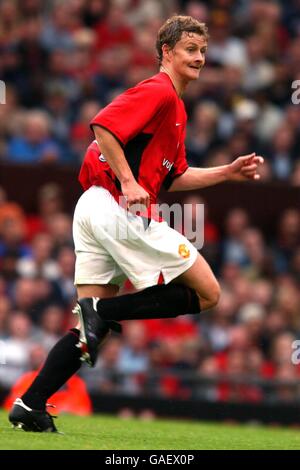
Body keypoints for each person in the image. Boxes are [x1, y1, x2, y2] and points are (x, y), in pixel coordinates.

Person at [9, 15, 264, 432]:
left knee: (89, 333)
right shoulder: (160, 90)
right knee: (208, 292)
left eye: (202, 50)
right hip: (114, 205)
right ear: (166, 52)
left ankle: (30, 403)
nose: (199, 58)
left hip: (92, 209)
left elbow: (172, 177)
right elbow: (103, 124)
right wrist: (128, 182)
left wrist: (226, 172)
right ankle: (101, 310)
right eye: (190, 50)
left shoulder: (176, 108)